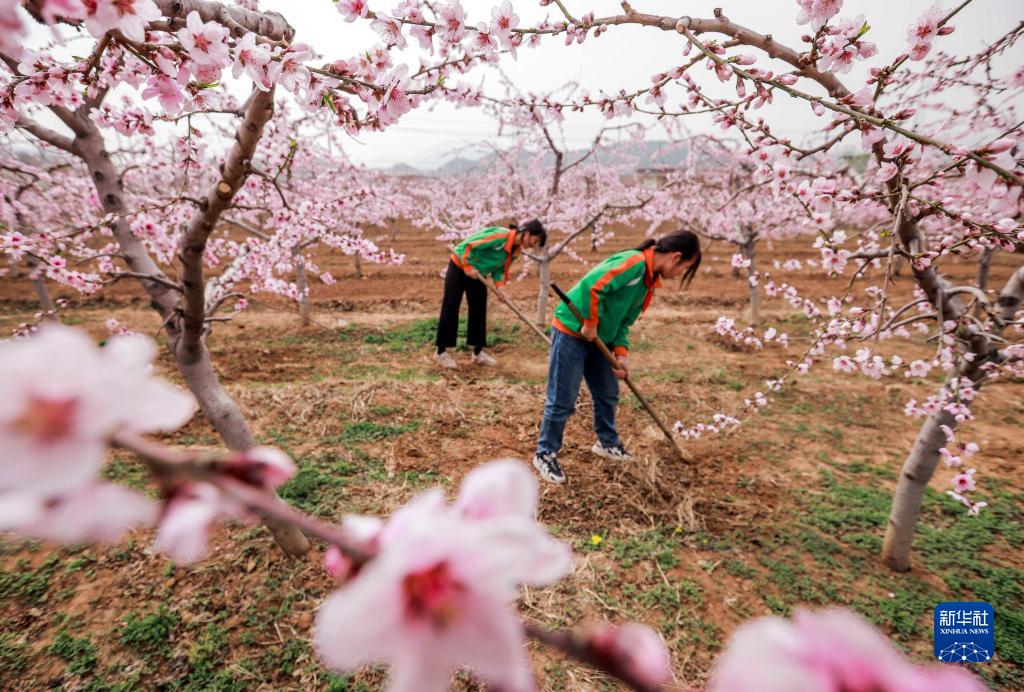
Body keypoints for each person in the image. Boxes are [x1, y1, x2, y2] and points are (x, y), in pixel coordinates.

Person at [532, 230, 701, 484]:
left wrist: (621, 354)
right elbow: (592, 285)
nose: (679, 274)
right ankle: (545, 453)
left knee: (607, 392)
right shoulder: (633, 263)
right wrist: (590, 322)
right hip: (572, 331)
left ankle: (607, 443)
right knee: (563, 399)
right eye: (683, 268)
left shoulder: (648, 283)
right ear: (675, 257)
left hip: (600, 339)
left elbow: (623, 322)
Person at [435, 219, 547, 369]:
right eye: (535, 240)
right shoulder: (499, 236)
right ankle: (441, 352)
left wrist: (501, 288)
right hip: (460, 265)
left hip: (479, 273)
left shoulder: (516, 251)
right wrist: (467, 267)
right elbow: (468, 246)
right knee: (451, 305)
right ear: (526, 233)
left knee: (479, 308)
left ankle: (478, 352)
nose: (534, 244)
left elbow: (500, 269)